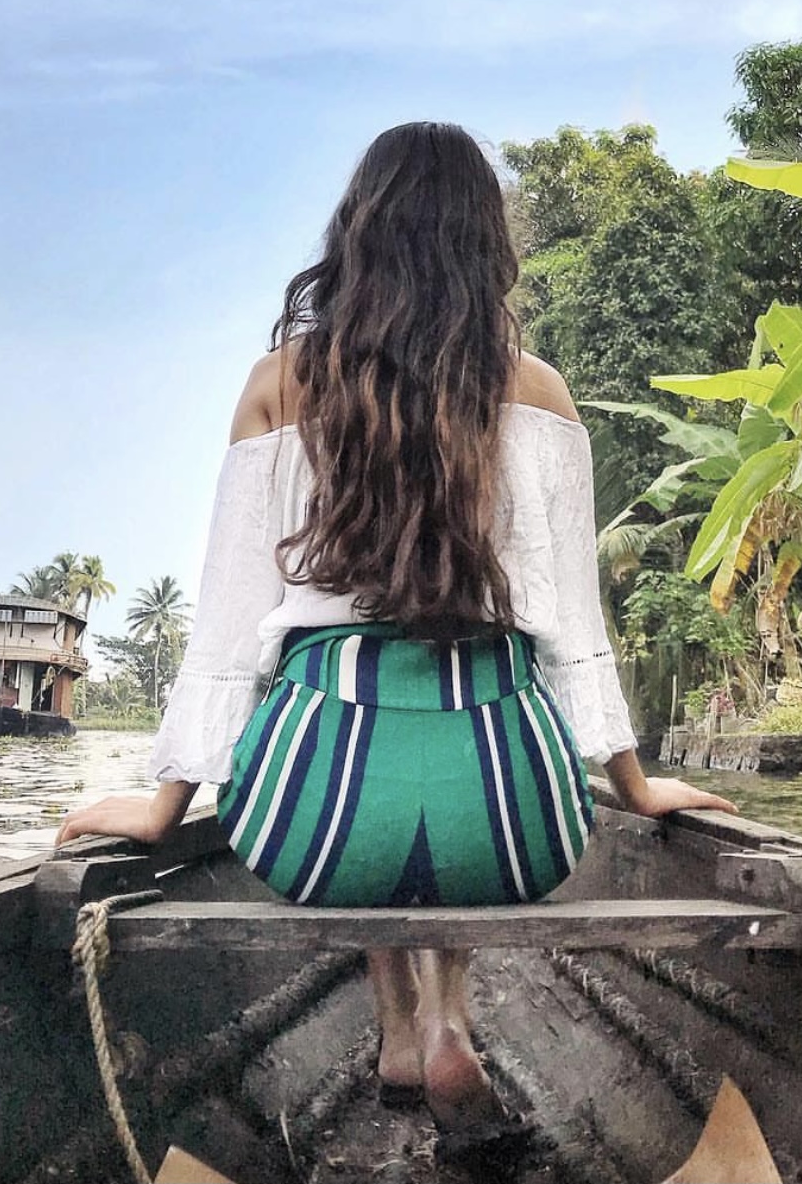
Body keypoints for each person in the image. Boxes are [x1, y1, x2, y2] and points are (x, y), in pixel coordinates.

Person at [55, 122, 736, 1145]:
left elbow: (231, 629)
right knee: (474, 732)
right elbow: (574, 627)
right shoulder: (540, 393)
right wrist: (637, 787)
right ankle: (452, 1014)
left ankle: (396, 1031)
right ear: (487, 244)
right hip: (515, 827)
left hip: (321, 824)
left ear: (356, 236)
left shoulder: (279, 385)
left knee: (346, 737)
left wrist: (163, 806)